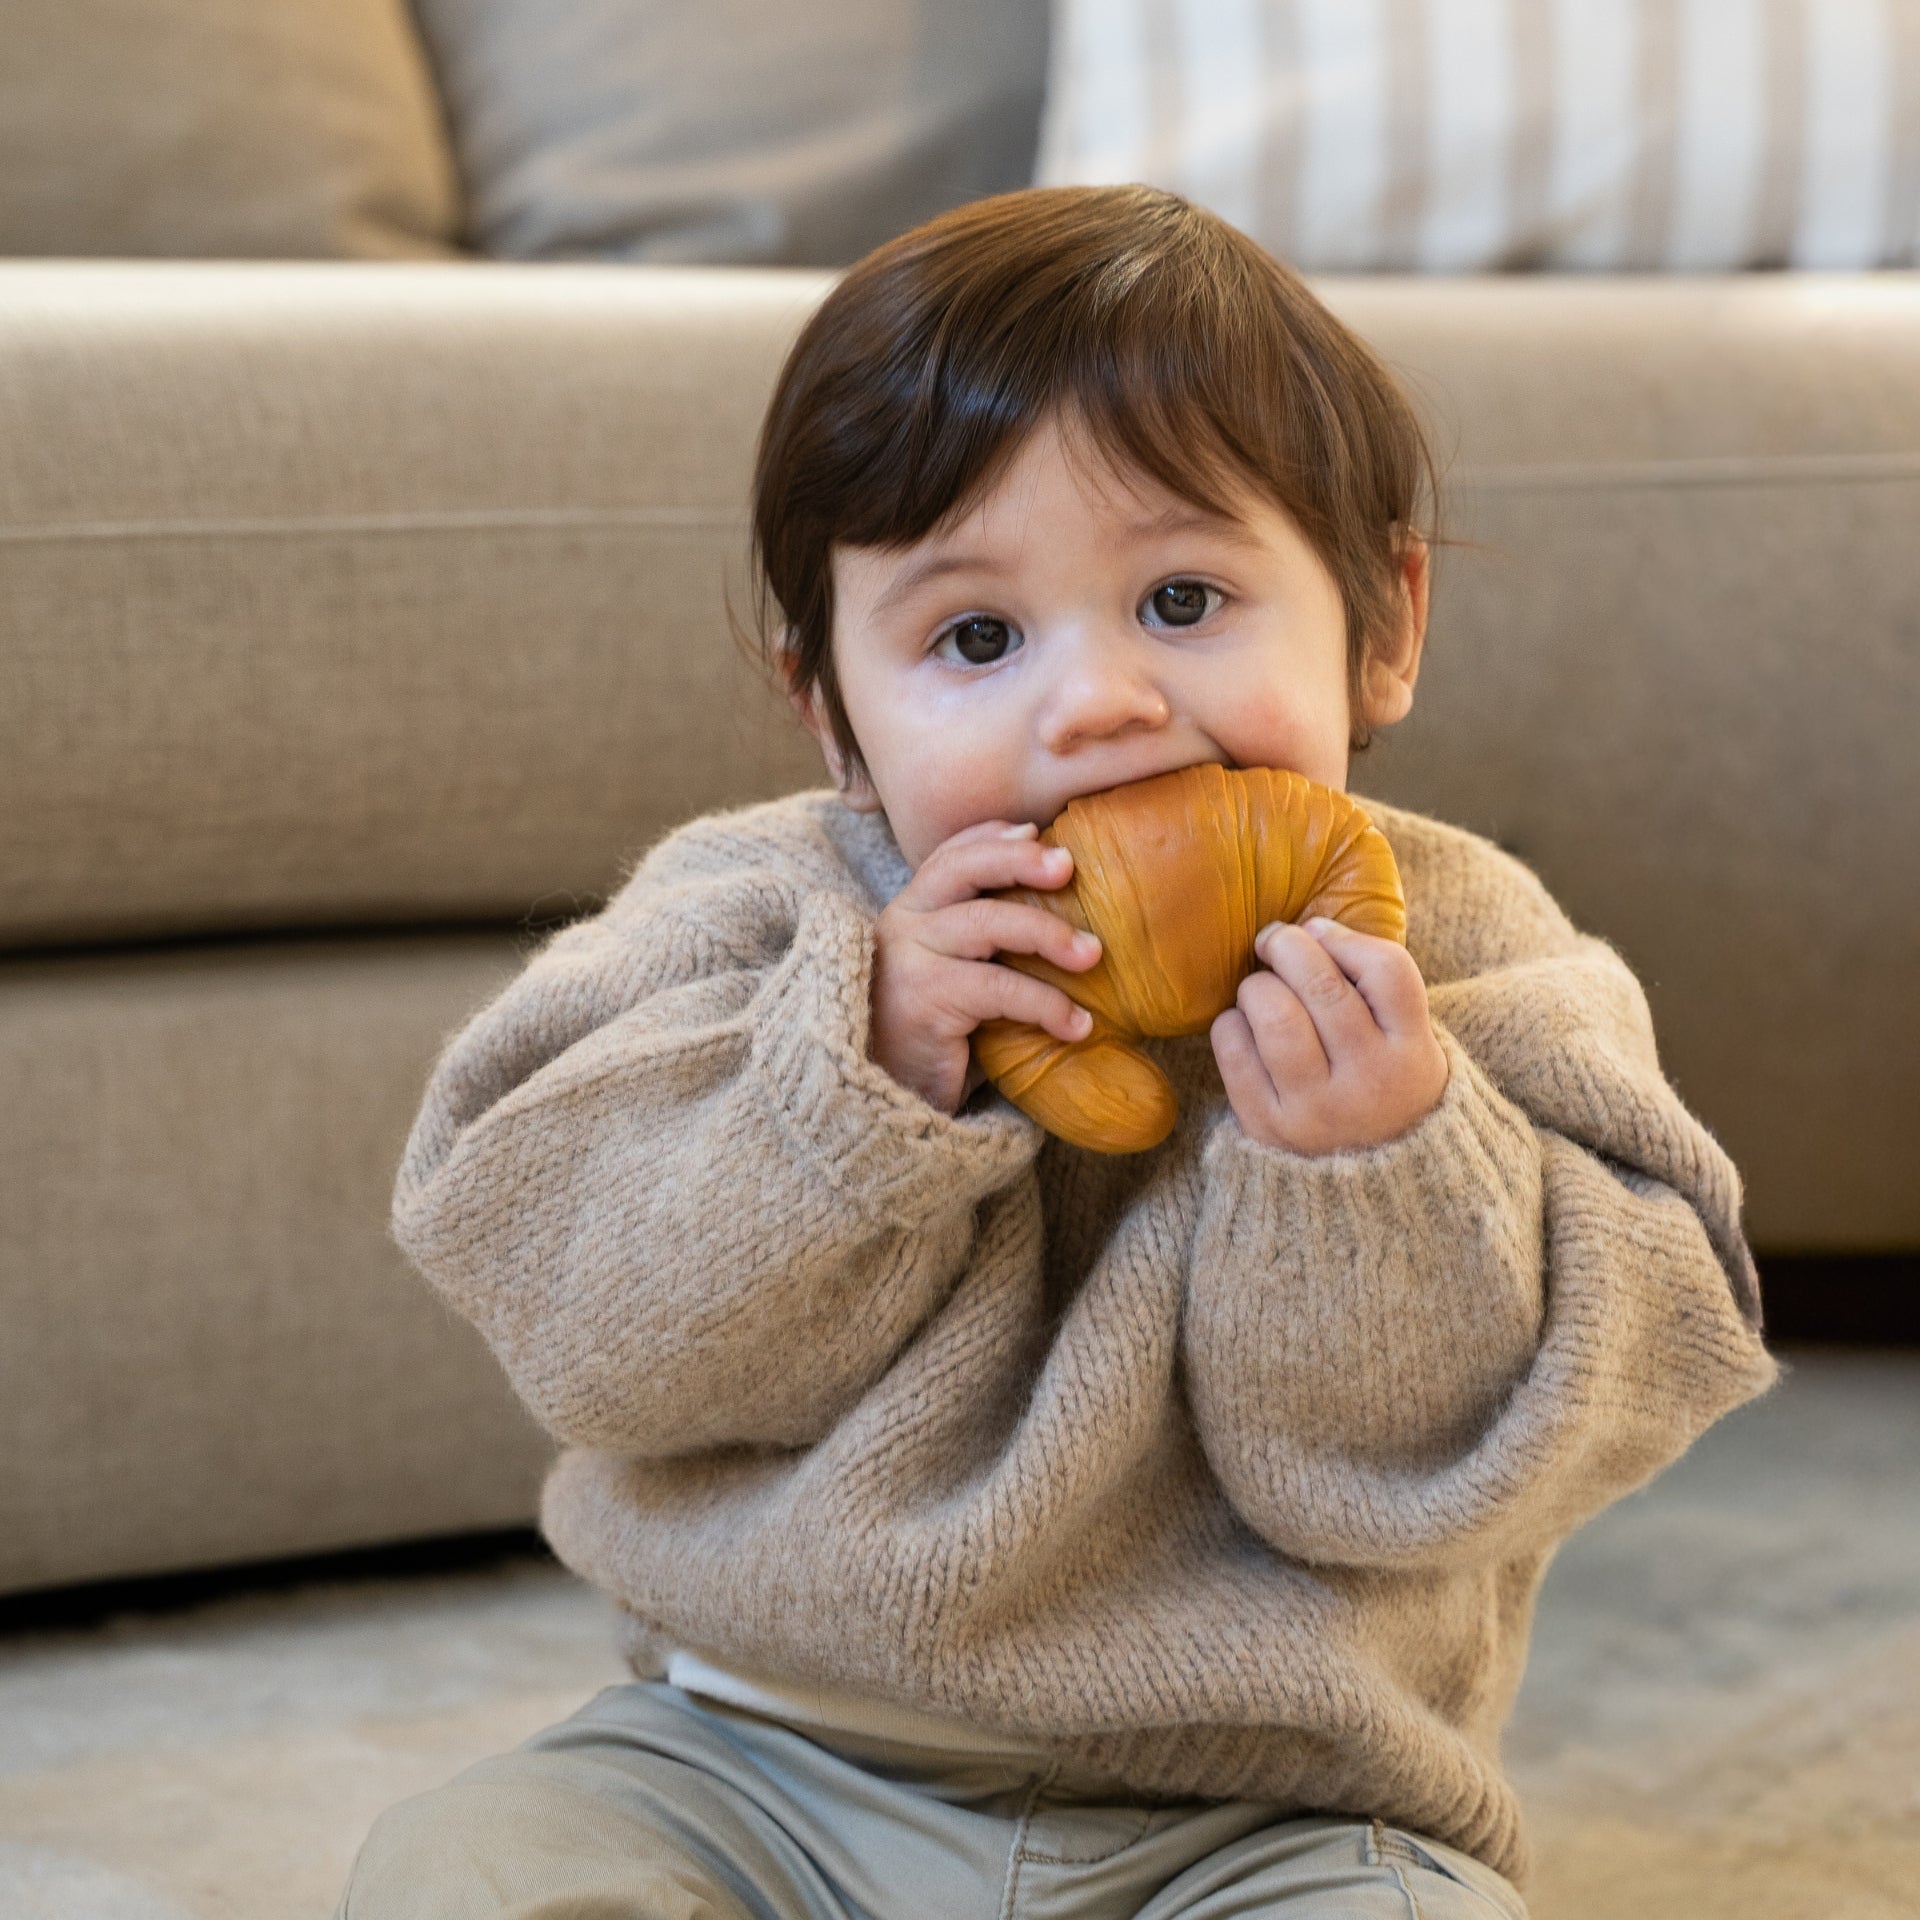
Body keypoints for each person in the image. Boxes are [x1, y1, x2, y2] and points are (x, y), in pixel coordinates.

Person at [338, 186, 1777, 1918]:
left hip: (1267, 1811)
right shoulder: (761, 918)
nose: (1093, 702)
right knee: (469, 1878)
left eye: (1183, 596)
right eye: (975, 639)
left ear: (1381, 623)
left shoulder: (1472, 966)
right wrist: (847, 1081)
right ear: (834, 711)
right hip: (758, 1766)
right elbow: (586, 1319)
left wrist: (1381, 1167)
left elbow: (1510, 1433)